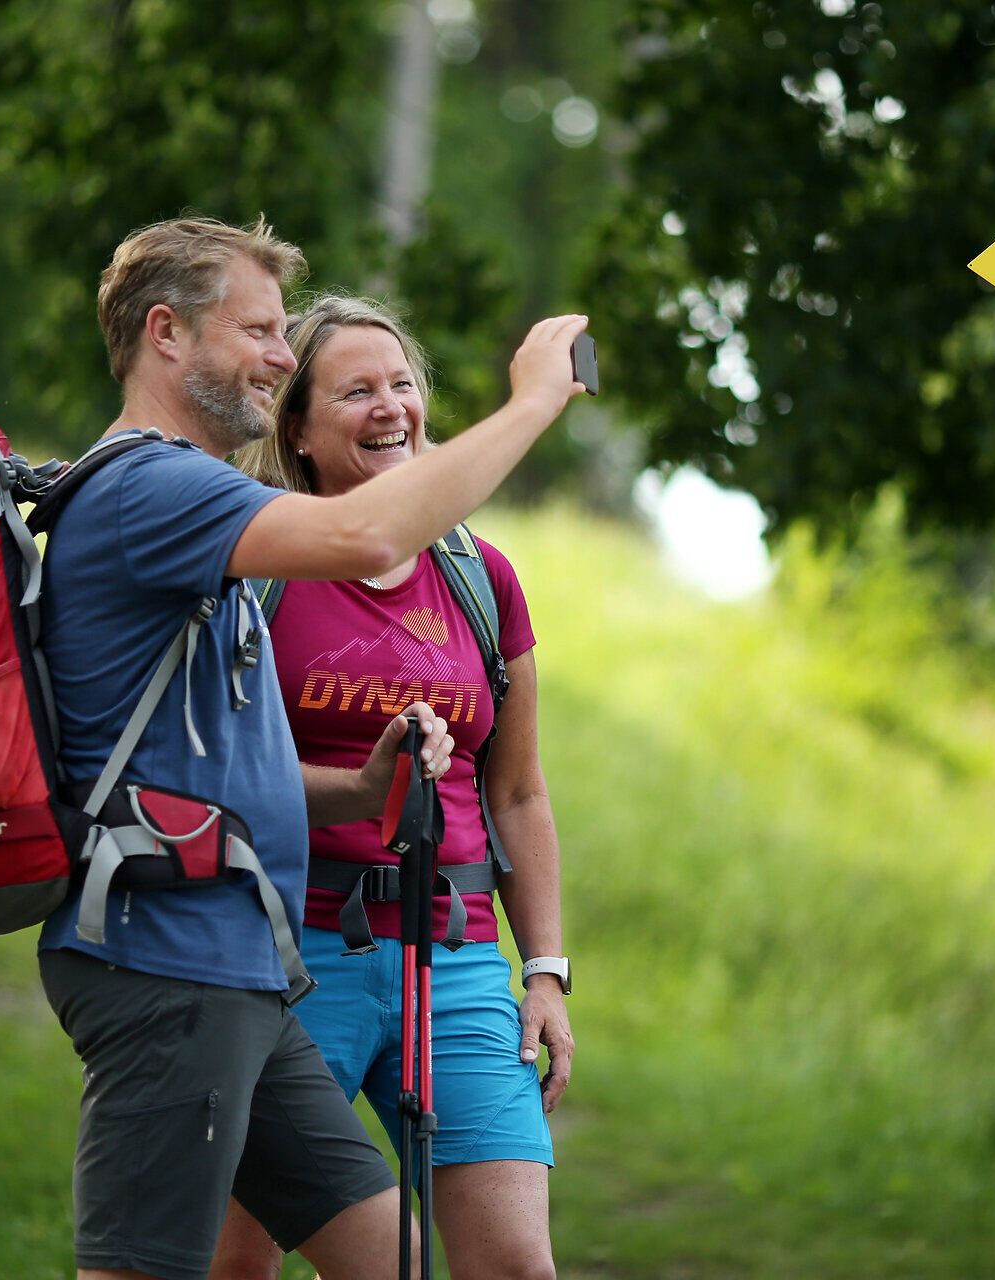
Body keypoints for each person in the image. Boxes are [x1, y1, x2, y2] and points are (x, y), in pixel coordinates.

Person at [37, 216, 587, 1280]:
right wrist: (533, 401)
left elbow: (219, 762)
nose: (282, 354)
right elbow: (370, 533)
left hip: (243, 961)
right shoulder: (154, 487)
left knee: (394, 1260)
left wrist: (361, 784)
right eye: (259, 329)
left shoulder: (207, 504)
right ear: (167, 333)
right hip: (168, 957)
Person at [210, 296, 571, 1280]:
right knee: (235, 1264)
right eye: (357, 389)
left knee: (516, 1265)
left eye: (402, 384)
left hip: (452, 961)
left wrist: (544, 967)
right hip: (288, 962)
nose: (390, 407)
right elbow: (215, 768)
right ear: (299, 428)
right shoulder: (257, 568)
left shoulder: (479, 576)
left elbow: (521, 794)